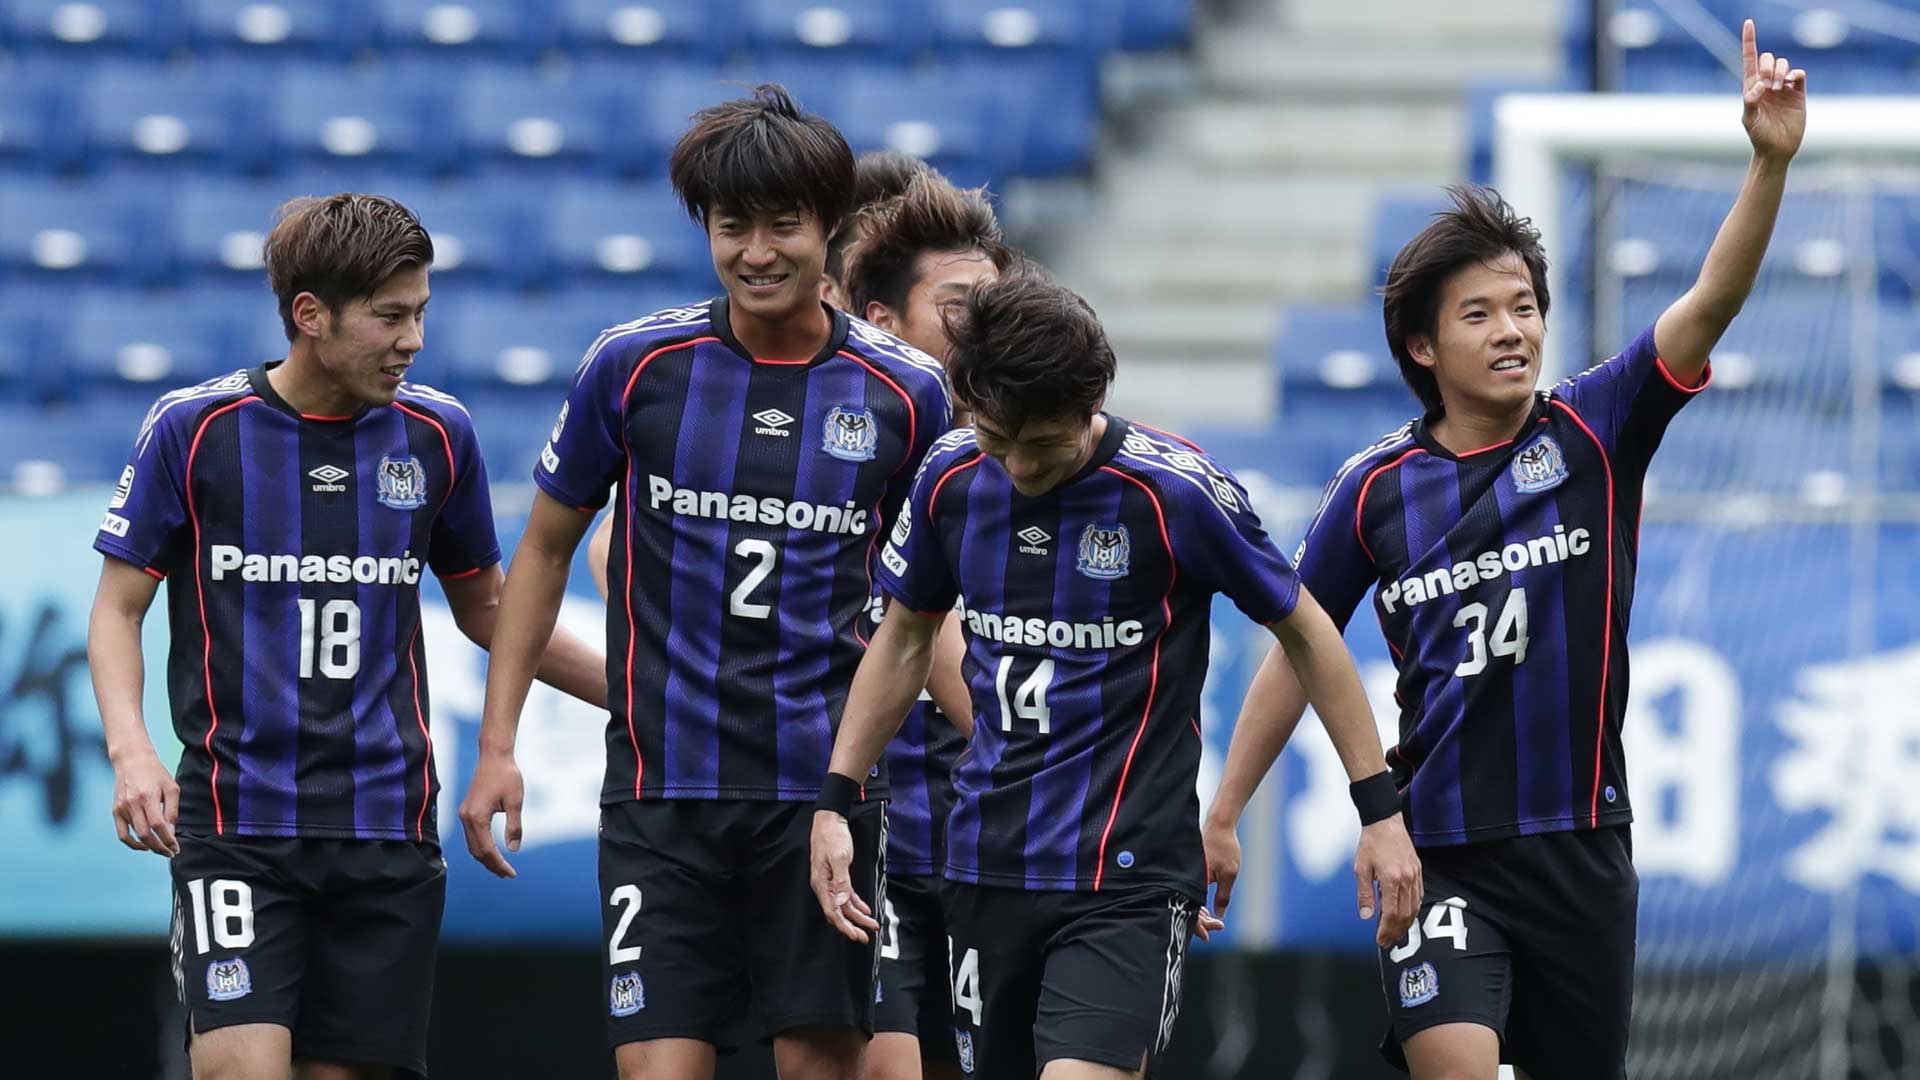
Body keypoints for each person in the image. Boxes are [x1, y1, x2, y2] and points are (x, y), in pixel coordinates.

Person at [1202, 21, 1805, 1080]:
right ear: (1424, 348)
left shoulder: (1596, 431)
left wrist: (1768, 161)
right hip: (1437, 851)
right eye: (1478, 313)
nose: (1512, 329)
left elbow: (1711, 300)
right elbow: (1299, 646)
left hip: (1581, 853)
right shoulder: (1373, 491)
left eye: (1524, 306)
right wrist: (1222, 812)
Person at [810, 268, 1421, 1079]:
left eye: (1044, 443)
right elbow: (903, 640)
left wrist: (1376, 808)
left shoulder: (1176, 494)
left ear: (1092, 399)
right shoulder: (952, 476)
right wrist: (836, 797)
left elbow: (1308, 633)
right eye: (1000, 440)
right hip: (985, 865)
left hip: (1126, 878)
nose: (1021, 467)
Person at [458, 85, 951, 1080]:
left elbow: (926, 604)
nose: (757, 252)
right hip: (660, 796)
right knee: (658, 1067)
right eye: (734, 228)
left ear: (831, 231)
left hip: (821, 799)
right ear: (704, 229)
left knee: (825, 1067)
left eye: (784, 226)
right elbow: (546, 551)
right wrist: (497, 742)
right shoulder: (635, 367)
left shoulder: (907, 392)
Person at [87, 193, 605, 1080]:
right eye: (390, 317)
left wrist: (642, 693)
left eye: (422, 315)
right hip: (237, 823)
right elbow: (117, 610)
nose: (413, 340)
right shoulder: (196, 430)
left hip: (385, 830)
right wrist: (133, 753)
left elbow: (490, 610)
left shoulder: (440, 434)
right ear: (310, 316)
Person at [839, 171, 1014, 1080]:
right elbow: (612, 550)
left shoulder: (1021, 448)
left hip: (981, 827)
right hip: (873, 821)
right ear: (879, 319)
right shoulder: (849, 435)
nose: (983, 328)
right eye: (959, 308)